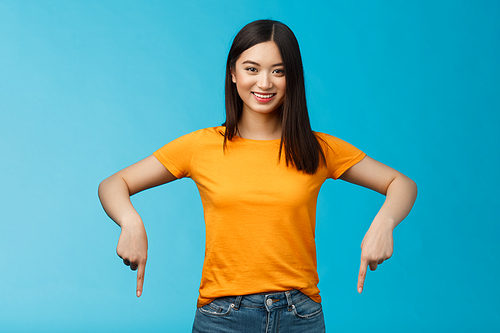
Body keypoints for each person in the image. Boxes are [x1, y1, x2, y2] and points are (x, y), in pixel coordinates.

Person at [98, 19, 417, 333]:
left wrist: (384, 222)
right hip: (222, 316)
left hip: (300, 316)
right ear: (233, 74)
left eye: (278, 71)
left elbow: (401, 184)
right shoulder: (201, 146)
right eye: (252, 69)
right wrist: (130, 221)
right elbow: (114, 184)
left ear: (292, 78)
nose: (265, 83)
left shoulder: (316, 148)